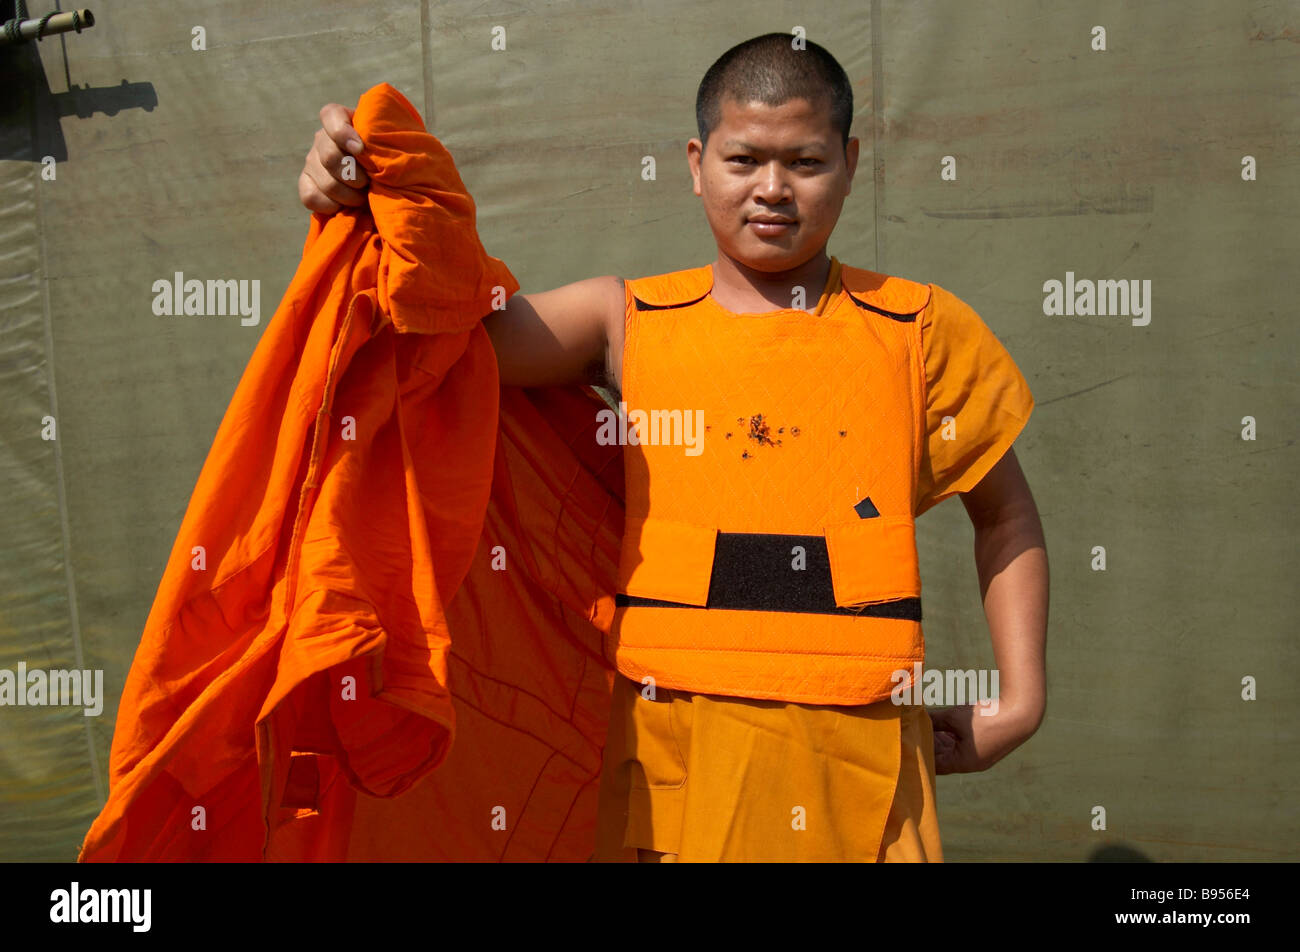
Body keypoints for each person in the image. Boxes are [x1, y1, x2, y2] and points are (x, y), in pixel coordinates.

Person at [299, 33, 1049, 863]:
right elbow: (439, 331)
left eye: (804, 161)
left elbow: (1005, 516)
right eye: (744, 160)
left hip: (860, 760)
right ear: (695, 163)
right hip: (674, 763)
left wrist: (1021, 698)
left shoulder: (918, 330)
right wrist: (366, 199)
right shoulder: (626, 322)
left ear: (850, 162)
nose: (772, 189)